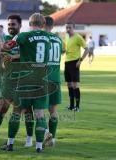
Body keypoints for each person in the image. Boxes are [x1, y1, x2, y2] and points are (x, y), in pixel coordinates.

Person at [2, 13, 52, 153]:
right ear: (43, 24)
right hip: (42, 80)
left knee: (16, 112)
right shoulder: (49, 37)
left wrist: (1, 43)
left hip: (25, 79)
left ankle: (10, 144)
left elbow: (8, 46)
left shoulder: (23, 36)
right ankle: (39, 147)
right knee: (40, 114)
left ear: (29, 23)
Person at [0, 14, 34, 148]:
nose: (10, 27)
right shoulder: (6, 39)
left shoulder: (25, 39)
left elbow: (31, 55)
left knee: (27, 110)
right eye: (9, 24)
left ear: (20, 26)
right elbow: (0, 51)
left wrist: (14, 56)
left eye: (13, 24)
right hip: (8, 79)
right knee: (1, 108)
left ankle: (29, 138)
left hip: (23, 79)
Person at [44, 16, 65, 147]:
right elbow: (63, 52)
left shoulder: (42, 38)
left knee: (36, 110)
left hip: (43, 78)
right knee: (53, 111)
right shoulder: (58, 39)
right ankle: (53, 138)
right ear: (52, 26)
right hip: (56, 78)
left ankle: (46, 132)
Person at [65, 21, 89, 112]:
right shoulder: (67, 37)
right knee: (69, 84)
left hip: (74, 63)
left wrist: (80, 60)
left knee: (75, 85)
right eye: (67, 27)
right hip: (67, 63)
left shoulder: (78, 37)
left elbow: (86, 49)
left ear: (73, 28)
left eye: (69, 27)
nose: (68, 29)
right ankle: (71, 106)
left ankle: (77, 107)